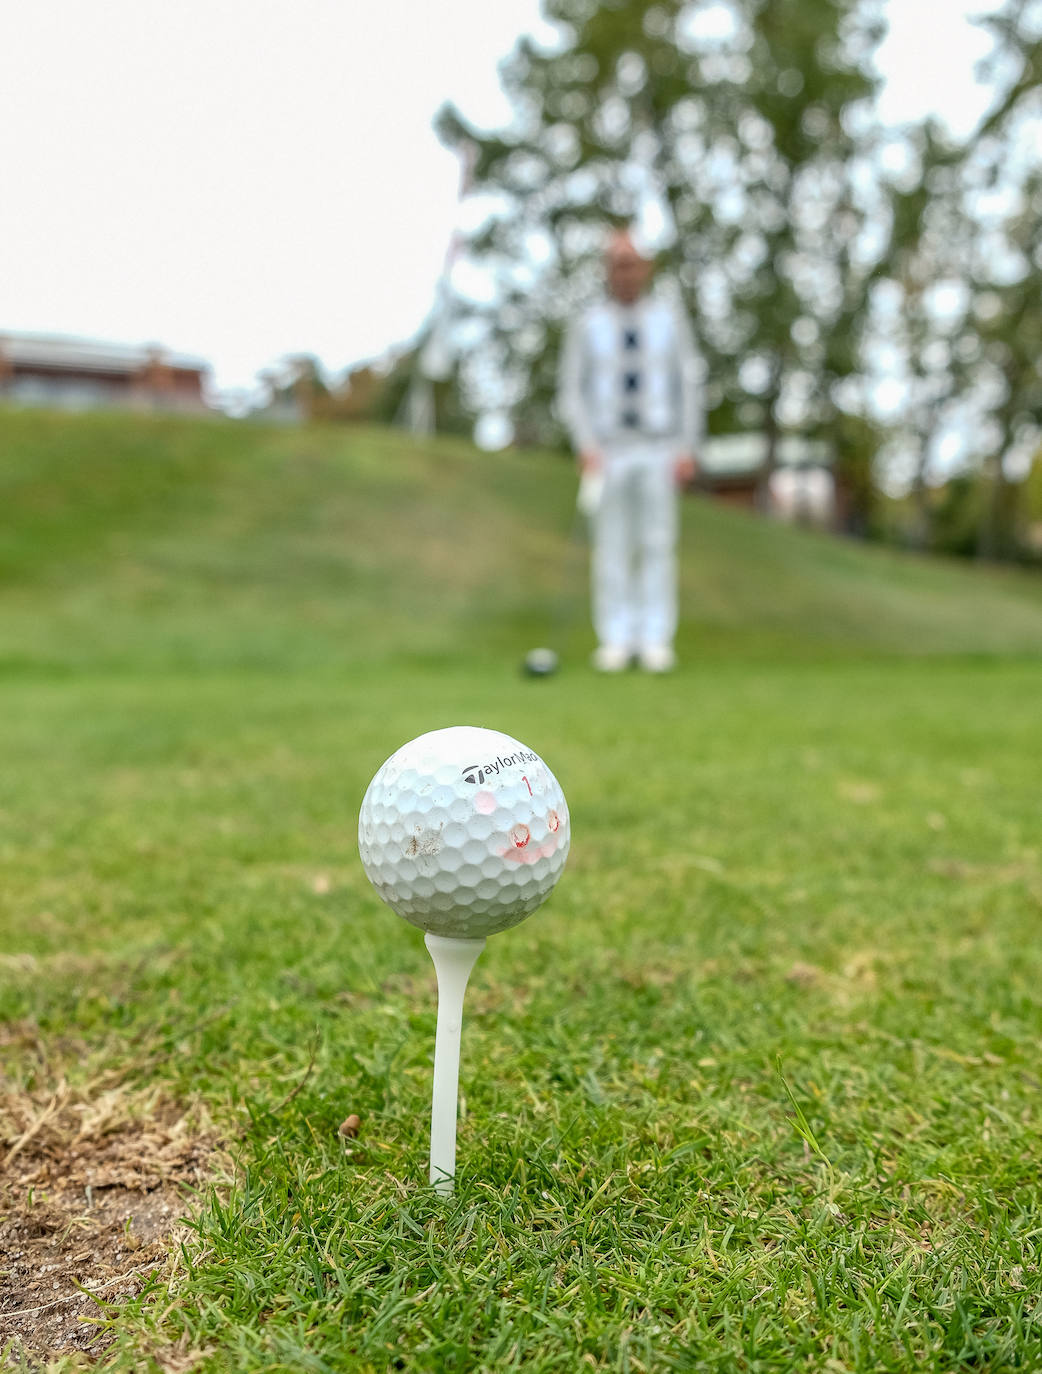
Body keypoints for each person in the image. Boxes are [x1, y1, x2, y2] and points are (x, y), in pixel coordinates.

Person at [558, 229, 702, 672]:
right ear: (607, 271)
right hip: (609, 450)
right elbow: (571, 392)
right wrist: (585, 443)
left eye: (632, 263)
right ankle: (616, 639)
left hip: (659, 446)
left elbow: (689, 384)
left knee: (657, 543)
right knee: (612, 545)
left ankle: (655, 638)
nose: (625, 273)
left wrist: (687, 446)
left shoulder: (669, 322)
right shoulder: (588, 326)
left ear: (645, 268)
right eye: (617, 264)